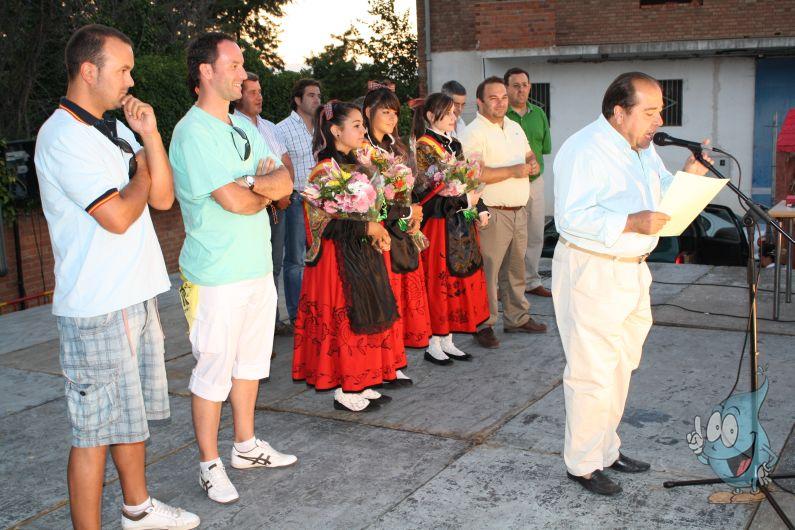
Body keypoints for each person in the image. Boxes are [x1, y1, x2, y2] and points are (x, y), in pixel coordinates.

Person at [34, 24, 199, 529]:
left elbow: (163, 199)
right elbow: (118, 215)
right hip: (97, 307)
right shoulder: (62, 135)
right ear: (89, 71)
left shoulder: (118, 130)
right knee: (92, 434)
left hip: (136, 295)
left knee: (132, 416)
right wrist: (141, 171)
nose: (131, 80)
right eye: (123, 69)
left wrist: (149, 136)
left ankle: (138, 509)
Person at [552, 72, 710, 496]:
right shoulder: (583, 149)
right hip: (593, 269)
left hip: (632, 269)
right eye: (650, 112)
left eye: (661, 111)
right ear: (619, 113)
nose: (659, 121)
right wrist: (629, 221)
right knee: (591, 371)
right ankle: (583, 464)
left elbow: (660, 191)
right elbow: (570, 217)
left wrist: (689, 178)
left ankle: (606, 449)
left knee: (621, 365)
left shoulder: (641, 148)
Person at [169, 32, 297, 505]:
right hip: (215, 275)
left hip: (256, 268)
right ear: (206, 71)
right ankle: (209, 464)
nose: (243, 74)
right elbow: (235, 201)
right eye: (235, 65)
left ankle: (245, 446)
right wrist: (257, 186)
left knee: (251, 364)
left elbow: (285, 183)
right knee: (213, 372)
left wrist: (252, 184)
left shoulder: (241, 128)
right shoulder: (192, 132)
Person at [292, 101, 405, 412]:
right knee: (346, 320)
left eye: (362, 125)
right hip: (336, 259)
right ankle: (346, 387)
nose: (362, 131)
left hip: (362, 252)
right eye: (356, 125)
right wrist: (366, 227)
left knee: (367, 313)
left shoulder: (359, 165)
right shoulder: (324, 170)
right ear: (335, 130)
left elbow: (374, 207)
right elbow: (321, 224)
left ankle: (363, 378)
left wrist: (378, 225)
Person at [460, 77, 547, 350]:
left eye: (503, 97)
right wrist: (513, 171)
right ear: (480, 102)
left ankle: (517, 317)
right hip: (491, 213)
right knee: (488, 272)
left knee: (515, 269)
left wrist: (532, 163)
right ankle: (483, 324)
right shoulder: (473, 133)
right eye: (493, 98)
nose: (500, 103)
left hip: (518, 209)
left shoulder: (514, 126)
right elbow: (474, 174)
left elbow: (529, 154)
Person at [412, 93, 490, 364]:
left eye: (454, 113)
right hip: (437, 222)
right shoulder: (423, 146)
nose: (453, 118)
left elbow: (467, 181)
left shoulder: (454, 143)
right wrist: (466, 200)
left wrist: (480, 207)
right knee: (438, 281)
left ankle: (448, 338)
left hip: (458, 220)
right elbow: (426, 192)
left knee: (458, 279)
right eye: (447, 113)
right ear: (430, 115)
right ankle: (433, 341)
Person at [362, 85, 428, 383]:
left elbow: (410, 188)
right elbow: (366, 199)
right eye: (385, 112)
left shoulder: (398, 148)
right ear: (368, 113)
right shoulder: (362, 151)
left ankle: (395, 360)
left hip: (400, 229)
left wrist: (414, 209)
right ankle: (381, 364)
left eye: (395, 113)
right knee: (383, 299)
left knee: (400, 298)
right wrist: (403, 209)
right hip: (377, 232)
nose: (391, 118)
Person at [232, 71, 296, 336]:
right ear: (238, 96)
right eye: (252, 92)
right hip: (254, 208)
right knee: (256, 268)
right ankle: (257, 331)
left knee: (275, 265)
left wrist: (284, 194)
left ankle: (271, 322)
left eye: (260, 92)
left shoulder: (269, 127)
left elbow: (285, 162)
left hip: (278, 207)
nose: (259, 97)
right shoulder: (232, 126)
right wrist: (272, 190)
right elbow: (246, 175)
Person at [274, 79, 322, 331]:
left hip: (320, 201)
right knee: (295, 259)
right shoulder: (281, 129)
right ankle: (297, 315)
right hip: (295, 200)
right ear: (297, 100)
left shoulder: (321, 129)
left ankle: (317, 309)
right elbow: (278, 165)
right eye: (311, 95)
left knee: (319, 257)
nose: (317, 100)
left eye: (318, 95)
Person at [504, 67, 553, 298]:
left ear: (530, 87)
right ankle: (504, 284)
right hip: (507, 183)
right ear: (506, 88)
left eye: (524, 85)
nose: (521, 90)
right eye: (515, 85)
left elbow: (545, 148)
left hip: (535, 183)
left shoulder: (539, 114)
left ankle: (531, 281)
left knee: (535, 233)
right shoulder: (501, 118)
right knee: (508, 236)